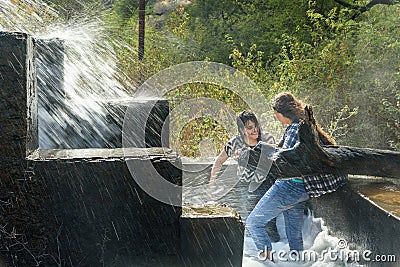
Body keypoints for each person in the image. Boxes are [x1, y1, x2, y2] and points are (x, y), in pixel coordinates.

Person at [246, 92, 347, 262]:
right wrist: (261, 147)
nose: (276, 118)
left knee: (253, 223)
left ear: (281, 112)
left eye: (276, 114)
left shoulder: (294, 129)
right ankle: (298, 261)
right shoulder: (303, 126)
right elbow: (285, 152)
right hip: (303, 188)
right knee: (293, 233)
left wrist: (258, 154)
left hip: (289, 186)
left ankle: (268, 262)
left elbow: (286, 159)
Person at [209, 110, 281, 242]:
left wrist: (249, 155)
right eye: (249, 128)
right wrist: (212, 182)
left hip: (266, 184)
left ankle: (275, 250)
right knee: (249, 223)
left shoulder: (267, 139)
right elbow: (219, 161)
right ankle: (253, 255)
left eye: (256, 126)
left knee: (269, 223)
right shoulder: (235, 142)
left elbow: (278, 156)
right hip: (245, 186)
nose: (255, 130)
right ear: (242, 130)